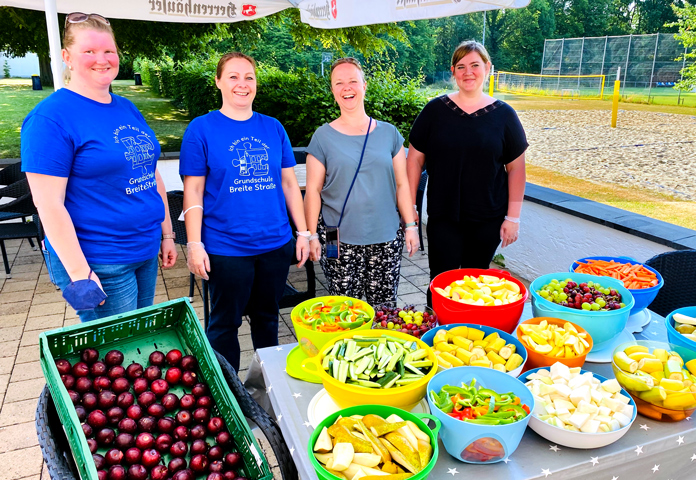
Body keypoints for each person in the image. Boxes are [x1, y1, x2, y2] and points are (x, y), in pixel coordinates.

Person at [22, 13, 177, 322]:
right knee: (117, 355)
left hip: (145, 248)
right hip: (101, 259)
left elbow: (149, 171)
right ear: (67, 57)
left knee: (138, 336)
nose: (102, 59)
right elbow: (48, 205)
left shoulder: (126, 107)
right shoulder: (50, 119)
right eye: (89, 51)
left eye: (109, 51)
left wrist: (167, 233)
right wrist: (81, 273)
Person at [181, 52, 309, 373]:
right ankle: (228, 392)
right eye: (234, 76)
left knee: (268, 319)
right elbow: (193, 190)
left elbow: (290, 185)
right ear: (218, 82)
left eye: (249, 77)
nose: (242, 84)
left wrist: (304, 232)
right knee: (224, 325)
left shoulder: (273, 127)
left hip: (275, 245)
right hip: (226, 250)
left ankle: (268, 383)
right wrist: (194, 244)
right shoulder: (201, 129)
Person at [406, 40, 527, 305]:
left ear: (488, 68)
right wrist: (411, 207)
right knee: (441, 284)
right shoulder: (434, 111)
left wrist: (513, 218)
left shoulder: (505, 115)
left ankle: (469, 338)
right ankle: (435, 334)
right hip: (443, 216)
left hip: (488, 218)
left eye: (475, 65)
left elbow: (516, 168)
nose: (468, 72)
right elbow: (414, 160)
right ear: (453, 71)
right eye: (461, 66)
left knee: (477, 287)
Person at [304, 58, 419, 306]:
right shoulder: (322, 137)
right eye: (339, 82)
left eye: (353, 81)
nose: (347, 87)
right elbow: (312, 191)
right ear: (333, 90)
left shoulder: (390, 134)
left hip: (386, 237)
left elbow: (402, 185)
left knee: (385, 311)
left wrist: (410, 225)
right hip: (337, 239)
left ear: (364, 86)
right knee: (346, 312)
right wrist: (311, 235)